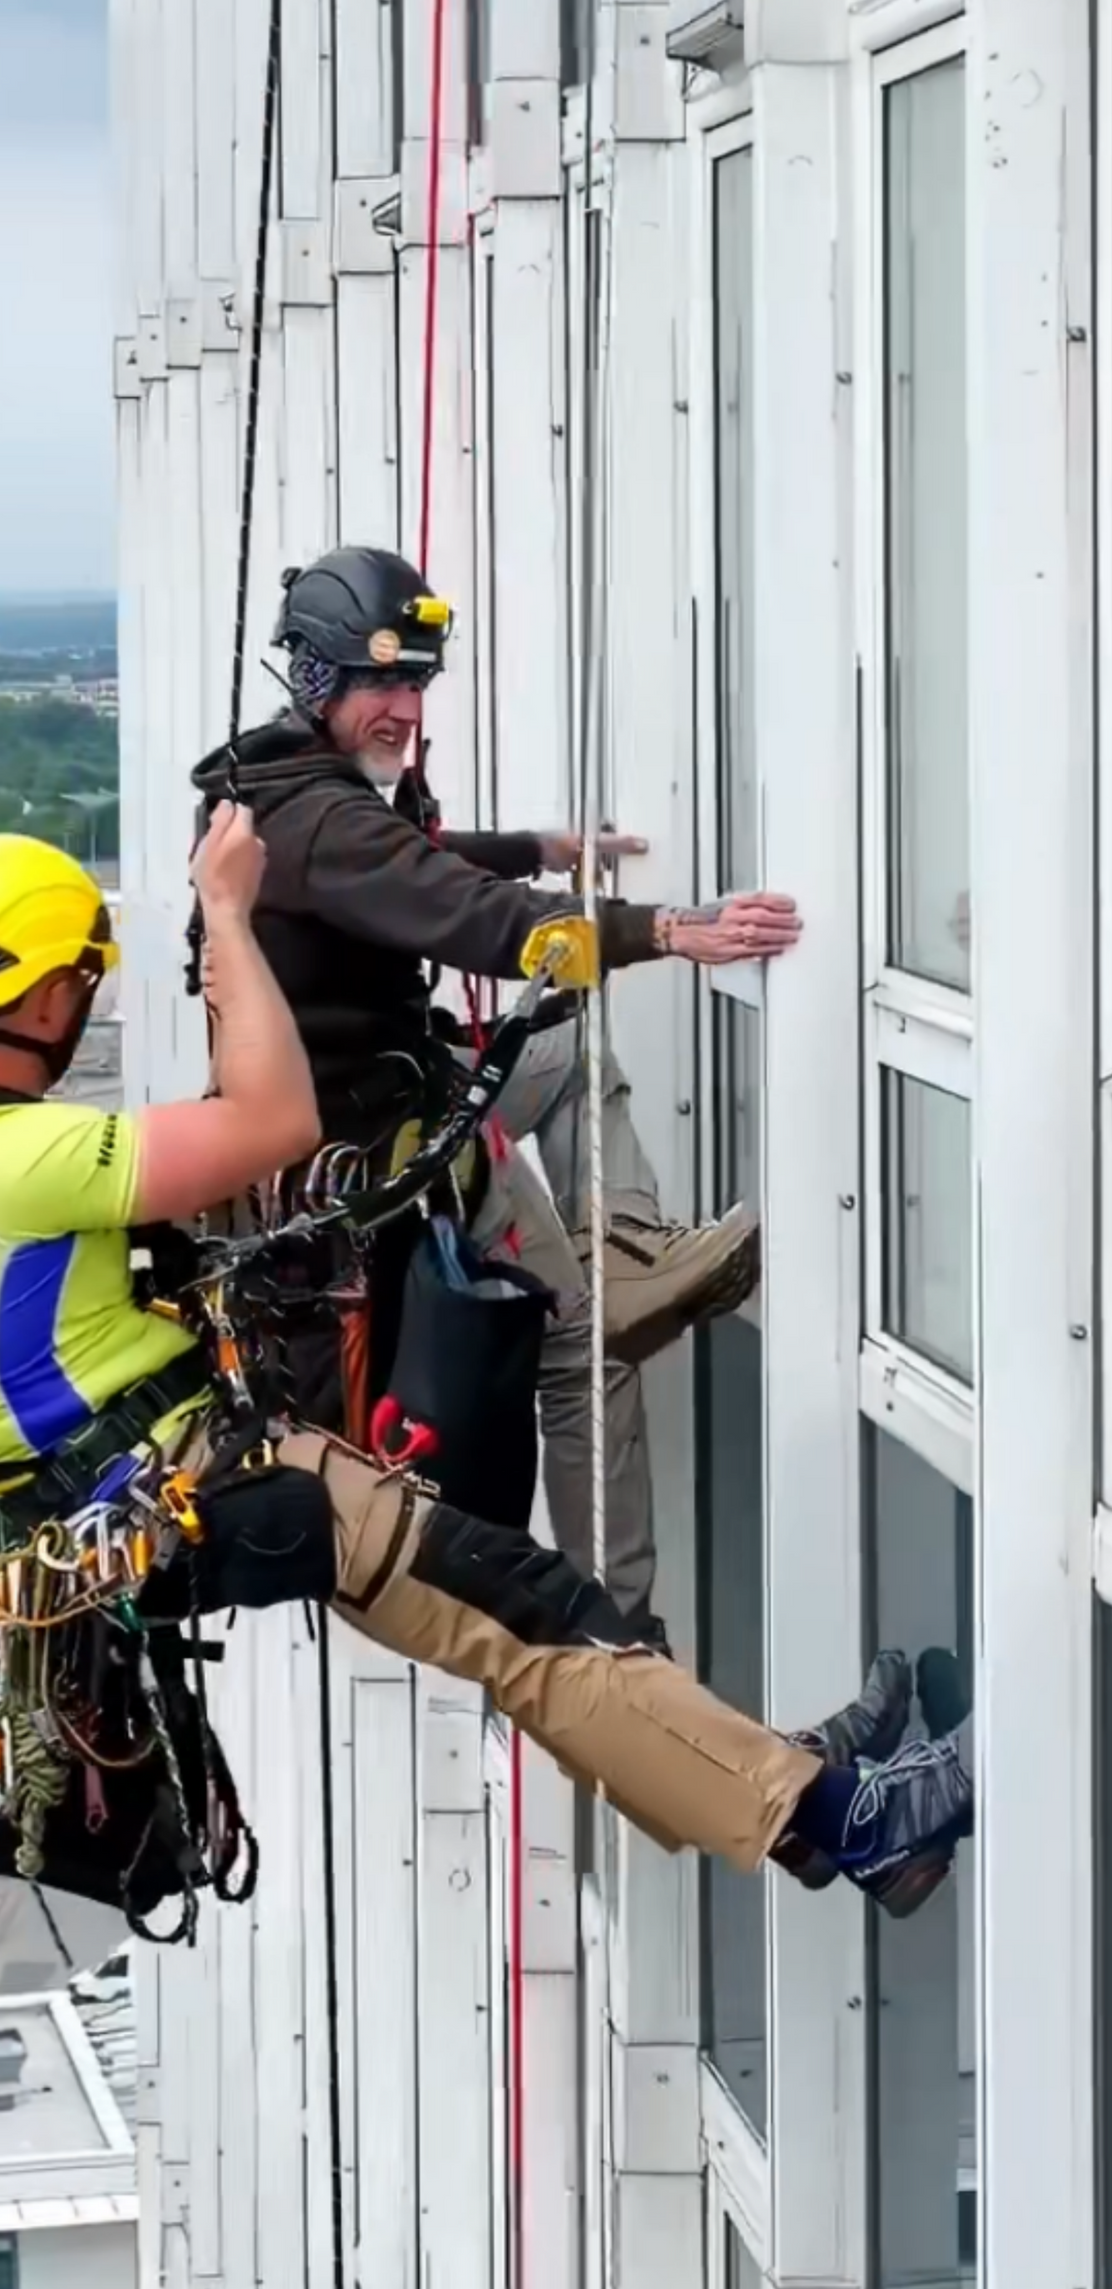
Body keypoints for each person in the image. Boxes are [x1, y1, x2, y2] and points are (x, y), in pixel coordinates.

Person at [0, 812, 970, 1921]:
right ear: (49, 998)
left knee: (528, 1626)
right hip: (206, 1483)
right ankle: (849, 1820)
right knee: (537, 1627)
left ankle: (789, 1793)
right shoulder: (11, 1160)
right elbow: (278, 1120)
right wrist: (228, 917)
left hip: (174, 1497)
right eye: (85, 986)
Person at [190, 545, 802, 1617]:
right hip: (386, 1150)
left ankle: (624, 1243)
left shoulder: (278, 785)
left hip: (372, 1120)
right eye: (380, 683)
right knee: (577, 1345)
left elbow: (407, 859)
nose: (404, 708)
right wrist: (666, 929)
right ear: (321, 680)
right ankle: (616, 1628)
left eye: (416, 683)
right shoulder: (323, 819)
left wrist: (537, 846)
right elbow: (455, 909)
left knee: (568, 1059)